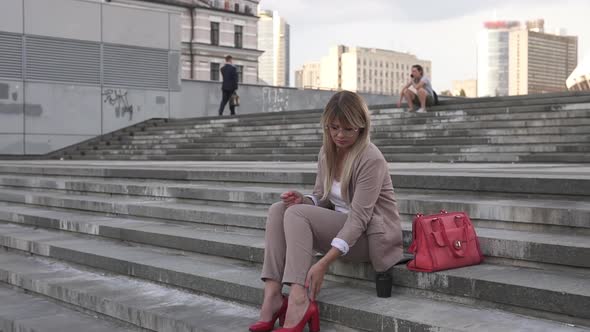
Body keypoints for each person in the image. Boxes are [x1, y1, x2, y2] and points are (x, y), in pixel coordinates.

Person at [249, 91, 403, 332]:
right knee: (280, 209)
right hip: (340, 227)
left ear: (361, 127)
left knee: (296, 214)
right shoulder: (327, 152)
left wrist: (324, 263)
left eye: (347, 129)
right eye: (334, 128)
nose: (339, 135)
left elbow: (359, 218)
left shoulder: (371, 158)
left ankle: (299, 299)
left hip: (369, 238)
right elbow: (322, 196)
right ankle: (273, 296)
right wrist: (305, 200)